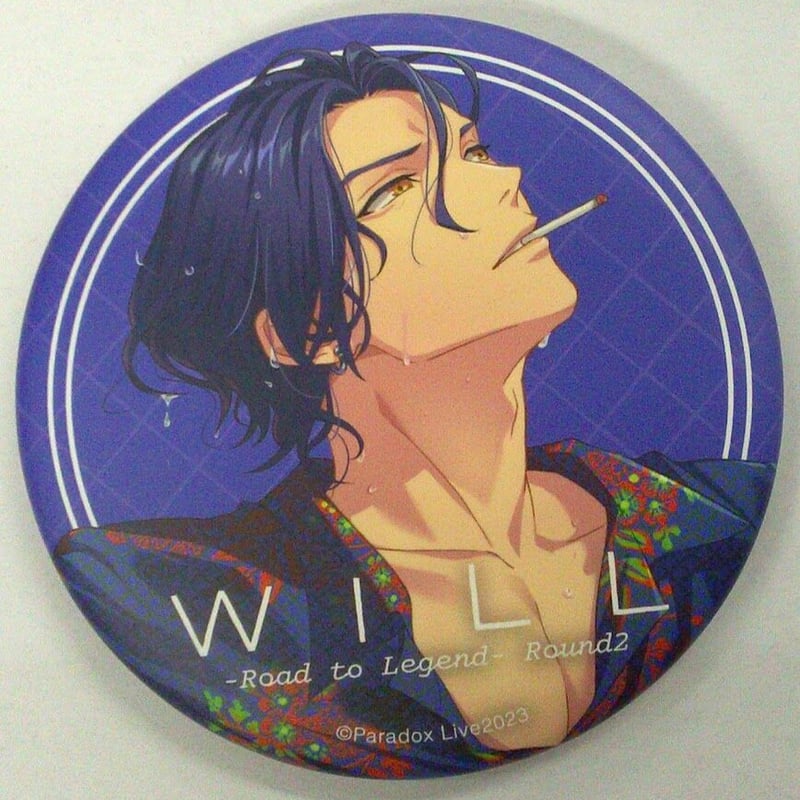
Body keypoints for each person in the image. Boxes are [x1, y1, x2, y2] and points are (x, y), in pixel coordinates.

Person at [55, 43, 774, 778]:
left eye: (475, 151)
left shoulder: (720, 514)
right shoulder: (182, 597)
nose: (505, 180)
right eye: (395, 188)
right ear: (307, 330)